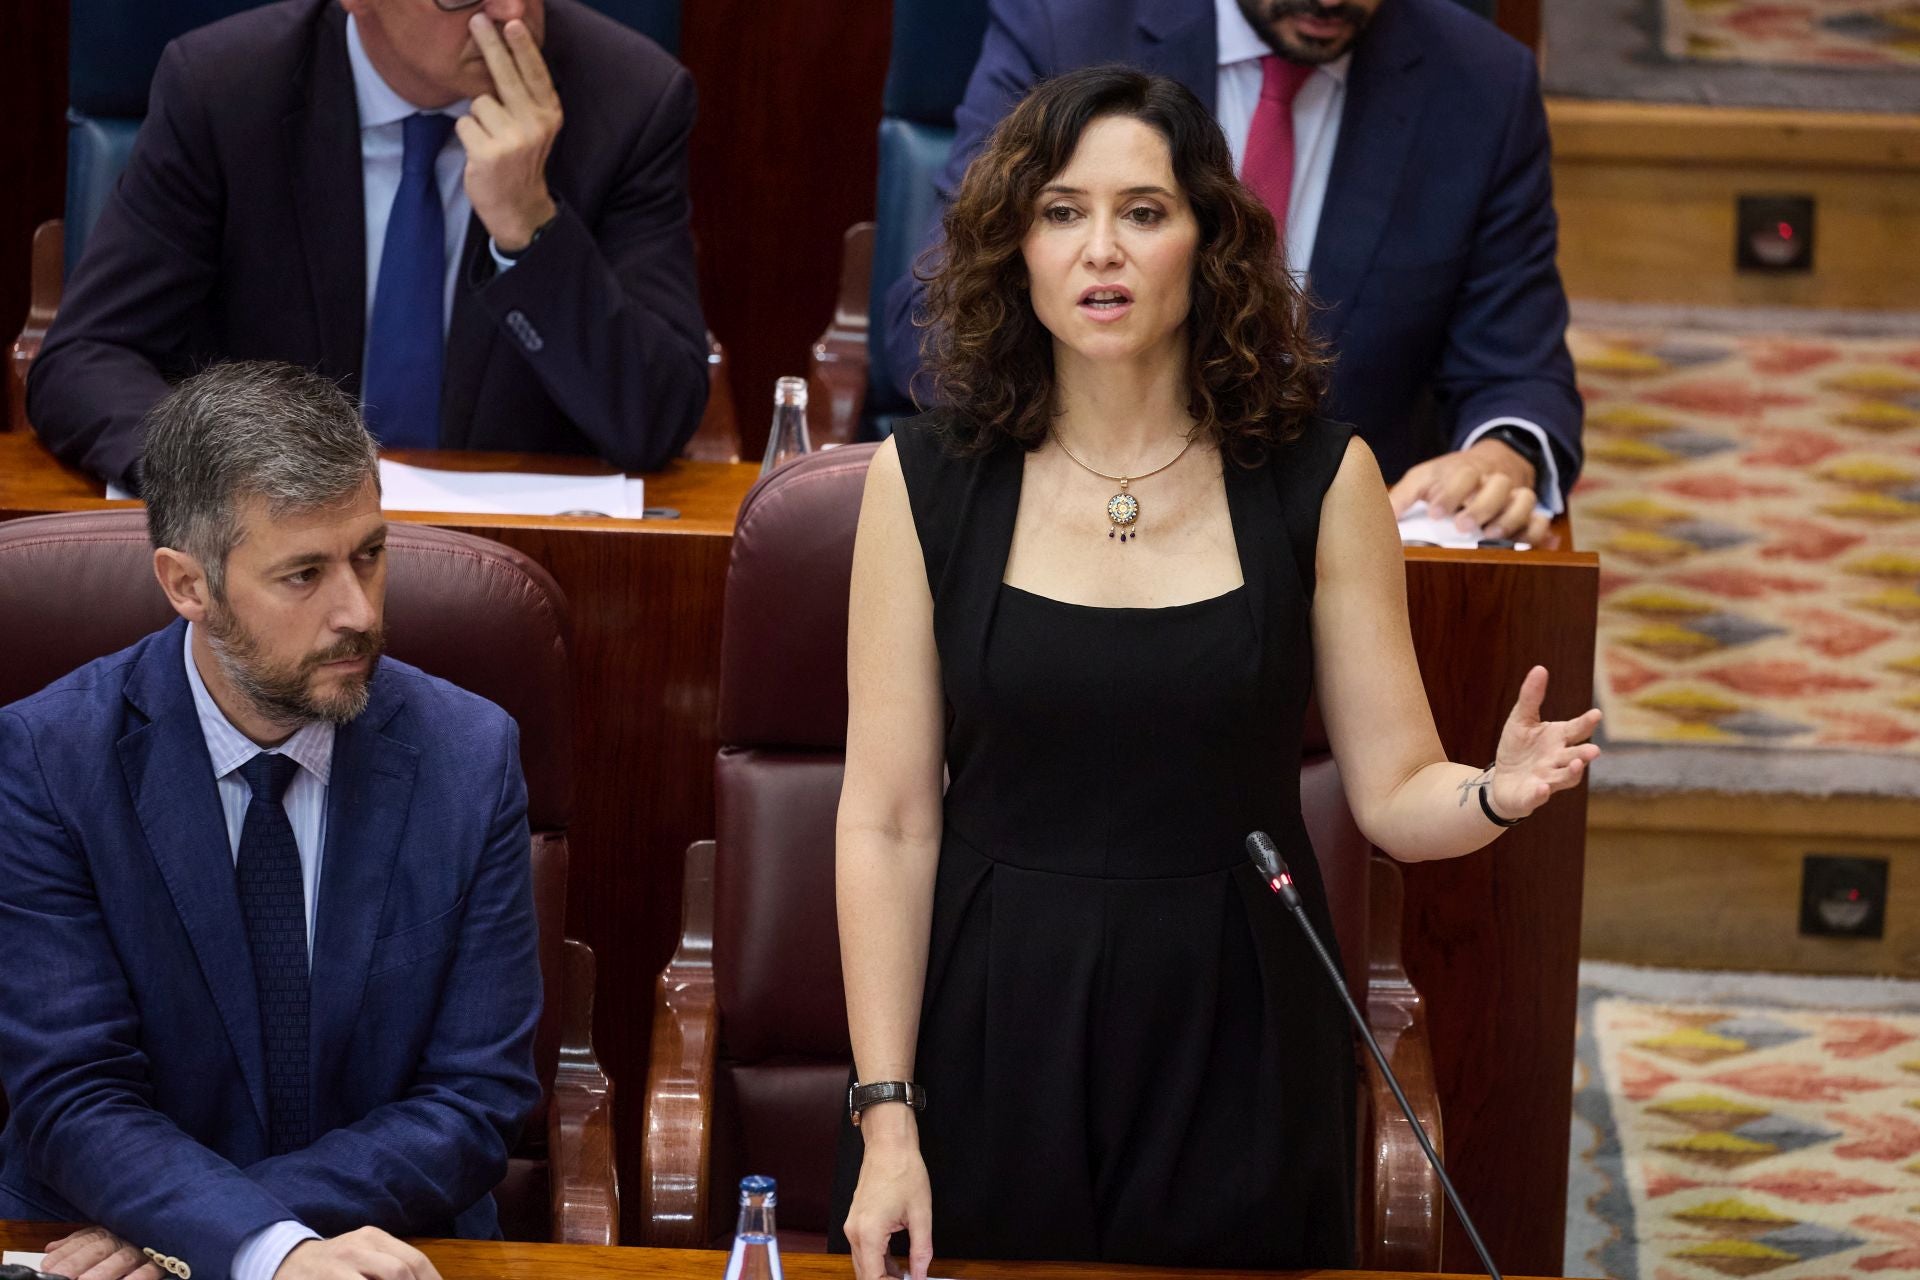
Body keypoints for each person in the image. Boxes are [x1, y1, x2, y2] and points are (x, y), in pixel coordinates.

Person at [830, 67, 1600, 1277]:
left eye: (1144, 211)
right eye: (1062, 211)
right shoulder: (924, 480)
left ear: (1209, 244)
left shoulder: (1317, 479)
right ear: (1014, 249)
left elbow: (1395, 787)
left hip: (1236, 1021)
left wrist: (1493, 793)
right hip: (991, 1017)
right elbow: (884, 818)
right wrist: (887, 1111)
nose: (1103, 249)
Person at [0, 363, 543, 1280]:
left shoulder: (468, 754)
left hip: (379, 1248)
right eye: (304, 575)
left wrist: (223, 1232)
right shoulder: (50, 759)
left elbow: (474, 1101)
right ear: (187, 585)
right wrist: (256, 1245)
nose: (358, 612)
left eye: (370, 553)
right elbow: (73, 1094)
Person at [881, 0, 1583, 545]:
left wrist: (1502, 455)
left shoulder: (1482, 86)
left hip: (1344, 545)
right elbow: (939, 305)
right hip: (1068, 509)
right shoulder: (1069, 30)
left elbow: (1516, 367)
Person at [27, 0, 708, 491]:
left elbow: (654, 418)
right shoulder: (227, 92)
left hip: (516, 570)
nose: (513, 14)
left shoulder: (629, 101)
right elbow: (87, 359)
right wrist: (229, 485)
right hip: (264, 572)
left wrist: (532, 231)